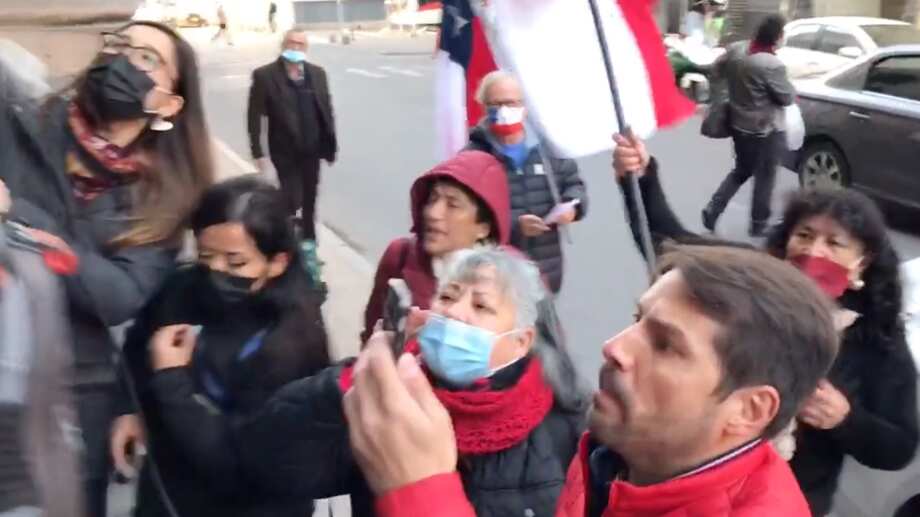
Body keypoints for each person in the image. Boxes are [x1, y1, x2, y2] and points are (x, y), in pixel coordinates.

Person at [344, 244, 840, 516]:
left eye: (665, 344)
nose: (615, 346)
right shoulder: (610, 455)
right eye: (636, 318)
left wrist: (420, 493)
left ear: (748, 410)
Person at [613, 134, 919, 516]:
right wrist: (641, 178)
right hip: (693, 485)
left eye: (834, 243)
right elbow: (669, 242)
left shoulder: (878, 341)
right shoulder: (752, 284)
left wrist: (845, 419)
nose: (813, 251)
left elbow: (898, 447)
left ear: (862, 263)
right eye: (804, 235)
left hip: (789, 501)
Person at [0, 21, 213, 517]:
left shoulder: (163, 199)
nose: (123, 60)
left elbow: (117, 294)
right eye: (119, 45)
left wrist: (18, 216)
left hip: (77, 396)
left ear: (169, 103)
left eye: (146, 59)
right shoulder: (27, 120)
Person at [240, 247, 588, 516]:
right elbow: (270, 461)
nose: (453, 311)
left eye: (481, 306)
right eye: (448, 296)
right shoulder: (390, 391)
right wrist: (352, 385)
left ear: (521, 341)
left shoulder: (564, 423)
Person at [110, 176, 330, 517]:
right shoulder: (183, 288)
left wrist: (171, 379)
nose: (215, 270)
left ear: (278, 263)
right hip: (164, 492)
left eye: (235, 262)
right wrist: (129, 408)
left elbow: (234, 462)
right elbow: (137, 345)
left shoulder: (290, 346)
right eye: (205, 255)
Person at [361, 150, 511, 343]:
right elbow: (372, 333)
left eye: (452, 204)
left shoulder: (512, 280)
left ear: (483, 228)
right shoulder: (399, 256)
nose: (433, 213)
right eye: (432, 199)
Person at [466, 71, 588, 294]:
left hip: (546, 268)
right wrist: (514, 226)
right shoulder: (473, 155)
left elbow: (575, 184)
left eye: (510, 103)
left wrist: (573, 207)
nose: (503, 110)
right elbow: (468, 215)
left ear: (524, 106)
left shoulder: (549, 147)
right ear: (484, 107)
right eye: (495, 104)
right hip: (495, 272)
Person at [702, 14, 795, 237]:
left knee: (742, 170)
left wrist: (726, 96)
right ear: (776, 37)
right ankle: (759, 223)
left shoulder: (737, 50)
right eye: (783, 34)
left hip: (738, 124)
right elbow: (787, 97)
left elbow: (715, 71)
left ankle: (713, 208)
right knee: (765, 176)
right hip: (765, 130)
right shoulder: (771, 64)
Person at [248, 26, 337, 243]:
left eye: (301, 44)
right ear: (283, 46)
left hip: (312, 148)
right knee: (293, 196)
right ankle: (279, 225)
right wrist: (258, 152)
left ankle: (308, 240)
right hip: (284, 149)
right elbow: (254, 115)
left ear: (306, 48)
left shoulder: (317, 74)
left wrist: (330, 144)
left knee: (310, 196)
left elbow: (326, 109)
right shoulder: (265, 75)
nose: (296, 48)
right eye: (292, 43)